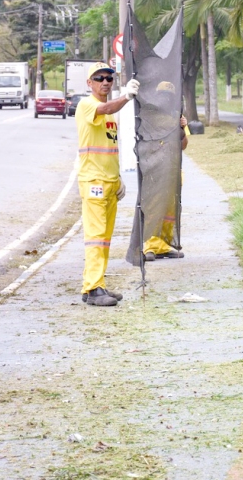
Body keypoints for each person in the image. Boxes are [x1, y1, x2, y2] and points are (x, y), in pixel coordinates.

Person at [76, 62, 139, 306]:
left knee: (104, 239)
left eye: (109, 78)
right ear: (89, 83)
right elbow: (105, 107)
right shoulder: (88, 105)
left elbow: (111, 147)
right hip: (94, 182)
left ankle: (94, 284)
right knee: (95, 237)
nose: (105, 82)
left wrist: (118, 178)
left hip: (110, 182)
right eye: (99, 78)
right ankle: (93, 289)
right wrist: (127, 97)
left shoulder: (110, 113)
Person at [143, 112, 189, 260]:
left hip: (173, 170)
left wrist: (182, 128)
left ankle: (164, 245)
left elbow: (184, 145)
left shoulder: (177, 116)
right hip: (155, 171)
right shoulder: (150, 116)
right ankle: (150, 245)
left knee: (170, 212)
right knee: (154, 209)